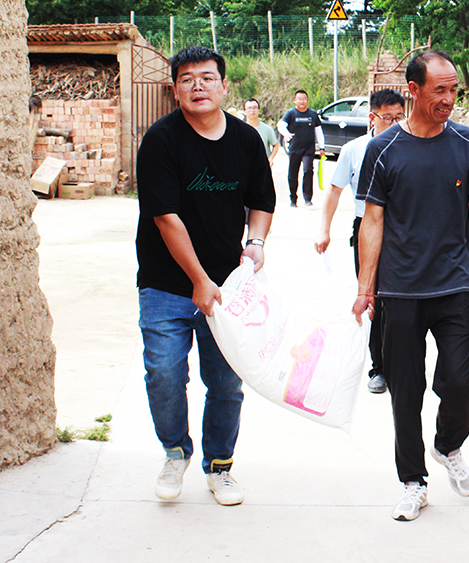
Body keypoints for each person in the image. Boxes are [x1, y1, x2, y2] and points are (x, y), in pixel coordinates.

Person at [352, 50, 469, 522]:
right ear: (414, 90)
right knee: (406, 392)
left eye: (454, 89)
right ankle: (413, 481)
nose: (448, 98)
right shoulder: (384, 149)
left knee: (461, 381)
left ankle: (447, 445)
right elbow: (372, 221)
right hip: (400, 289)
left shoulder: (467, 143)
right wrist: (365, 287)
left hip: (455, 284)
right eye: (439, 89)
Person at [135, 46, 276, 507]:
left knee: (227, 383)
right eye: (187, 79)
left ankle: (219, 465)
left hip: (228, 288)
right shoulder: (160, 141)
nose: (198, 86)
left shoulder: (246, 140)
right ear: (174, 88)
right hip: (165, 284)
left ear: (224, 85)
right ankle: (175, 451)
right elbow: (165, 217)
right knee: (164, 374)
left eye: (207, 77)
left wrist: (256, 242)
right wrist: (198, 279)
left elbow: (262, 200)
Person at [314, 88, 406, 395]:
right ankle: (378, 368)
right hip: (366, 229)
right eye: (388, 118)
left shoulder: (410, 145)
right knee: (373, 298)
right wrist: (324, 229)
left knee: (401, 301)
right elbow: (334, 190)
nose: (394, 124)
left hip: (403, 231)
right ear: (372, 118)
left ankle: (401, 363)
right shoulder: (354, 149)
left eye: (399, 117)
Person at [278, 89, 325, 207]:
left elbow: (318, 131)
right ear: (295, 100)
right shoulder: (290, 113)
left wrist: (322, 147)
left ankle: (308, 198)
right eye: (299, 99)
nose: (302, 101)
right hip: (295, 148)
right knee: (292, 174)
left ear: (307, 100)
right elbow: (281, 125)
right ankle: (293, 198)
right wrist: (286, 133)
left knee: (308, 170)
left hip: (308, 148)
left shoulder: (313, 114)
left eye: (304, 99)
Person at [243, 97, 280, 167]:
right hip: (245, 166)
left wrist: (271, 158)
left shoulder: (267, 129)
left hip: (263, 166)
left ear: (259, 110)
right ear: (245, 111)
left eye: (255, 107)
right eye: (249, 108)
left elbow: (275, 145)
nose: (252, 110)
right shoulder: (240, 129)